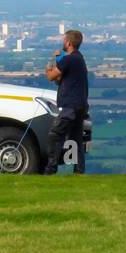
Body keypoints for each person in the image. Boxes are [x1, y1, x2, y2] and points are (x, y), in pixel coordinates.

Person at [43, 28, 88, 174]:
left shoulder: (69, 59)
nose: (62, 42)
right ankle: (79, 170)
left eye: (64, 40)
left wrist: (48, 69)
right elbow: (60, 81)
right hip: (80, 105)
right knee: (76, 139)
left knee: (55, 134)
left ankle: (51, 168)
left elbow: (51, 77)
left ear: (68, 43)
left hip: (70, 106)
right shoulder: (78, 58)